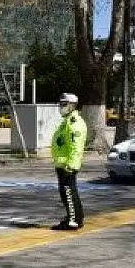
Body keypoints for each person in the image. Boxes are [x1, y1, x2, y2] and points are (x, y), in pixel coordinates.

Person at [51, 93, 87, 231]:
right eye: (60, 104)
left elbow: (76, 147)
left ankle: (73, 221)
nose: (61, 107)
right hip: (62, 163)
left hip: (67, 165)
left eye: (64, 104)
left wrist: (70, 166)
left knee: (68, 193)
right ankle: (76, 217)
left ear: (72, 106)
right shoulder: (66, 121)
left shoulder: (74, 123)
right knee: (68, 192)